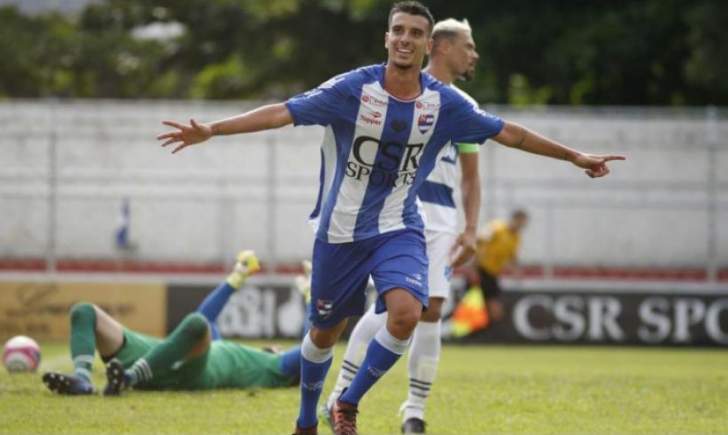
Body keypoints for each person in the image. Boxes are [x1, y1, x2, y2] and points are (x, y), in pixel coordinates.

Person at [156, 2, 624, 433]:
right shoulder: (351, 89)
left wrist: (575, 156)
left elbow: (511, 134)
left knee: (407, 314)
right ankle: (305, 420)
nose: (405, 38)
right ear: (387, 39)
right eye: (398, 30)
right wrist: (213, 130)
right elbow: (283, 112)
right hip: (339, 231)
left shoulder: (445, 103)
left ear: (427, 45)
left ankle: (349, 402)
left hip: (399, 227)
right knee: (323, 334)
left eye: (415, 32)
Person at [322, 17, 484, 435]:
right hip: (396, 213)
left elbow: (470, 175)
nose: (474, 55)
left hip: (442, 215)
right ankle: (340, 395)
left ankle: (414, 411)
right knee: (391, 308)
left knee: (431, 309)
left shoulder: (461, 105)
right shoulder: (392, 91)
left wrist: (471, 228)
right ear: (442, 47)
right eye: (468, 45)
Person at [42, 251, 301, 395]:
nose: (277, 346)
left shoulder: (275, 368)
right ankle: (82, 380)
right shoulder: (224, 348)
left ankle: (129, 378)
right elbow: (207, 316)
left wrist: (318, 302)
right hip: (163, 355)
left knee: (197, 323)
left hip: (193, 372)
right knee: (84, 312)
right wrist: (236, 278)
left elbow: (312, 346)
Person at [475, 209, 529, 327]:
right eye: (520, 222)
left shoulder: (516, 238)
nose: (522, 226)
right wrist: (475, 264)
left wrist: (516, 272)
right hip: (480, 270)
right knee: (479, 305)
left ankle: (486, 331)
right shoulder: (497, 227)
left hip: (493, 273)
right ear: (514, 219)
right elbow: (479, 240)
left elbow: (512, 257)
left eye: (524, 224)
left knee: (492, 306)